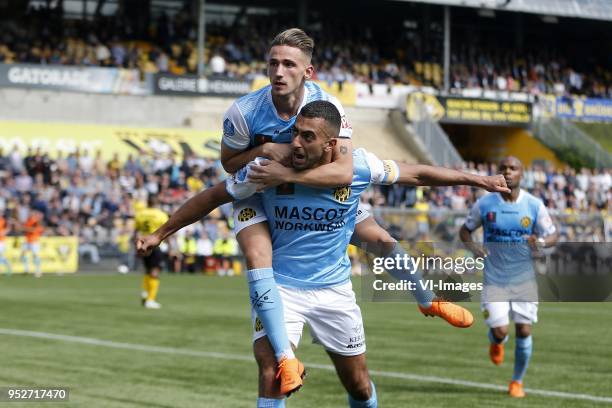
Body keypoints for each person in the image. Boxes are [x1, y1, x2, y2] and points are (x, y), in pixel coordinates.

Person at [138, 101, 510, 407]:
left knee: (359, 386)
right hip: (281, 287)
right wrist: (159, 234)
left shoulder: (358, 166)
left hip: (335, 292)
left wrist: (479, 180)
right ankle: (288, 358)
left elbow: (417, 174)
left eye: (307, 137)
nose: (295, 143)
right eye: (295, 132)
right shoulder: (267, 171)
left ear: (332, 145)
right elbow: (211, 197)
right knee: (271, 373)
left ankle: (428, 300)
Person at [459, 156, 558, 398]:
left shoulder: (534, 205)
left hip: (524, 279)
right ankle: (496, 340)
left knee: (524, 330)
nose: (507, 171)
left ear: (522, 174)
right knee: (502, 331)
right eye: (503, 167)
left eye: (513, 168)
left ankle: (517, 382)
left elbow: (553, 234)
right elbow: (465, 230)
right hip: (494, 280)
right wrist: (473, 248)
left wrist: (541, 242)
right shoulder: (485, 204)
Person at [134, 197, 169, 309]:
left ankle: (145, 291)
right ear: (157, 202)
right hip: (155, 244)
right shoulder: (160, 214)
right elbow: (167, 230)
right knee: (155, 271)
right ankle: (150, 299)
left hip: (143, 242)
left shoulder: (140, 214)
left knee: (148, 269)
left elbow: (136, 230)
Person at [22, 210, 44, 277]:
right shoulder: (28, 221)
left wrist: (25, 229)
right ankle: (26, 269)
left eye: (31, 213)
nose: (30, 214)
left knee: (35, 255)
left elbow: (33, 230)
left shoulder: (36, 221)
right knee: (23, 254)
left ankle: (38, 271)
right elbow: (24, 229)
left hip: (34, 241)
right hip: (28, 241)